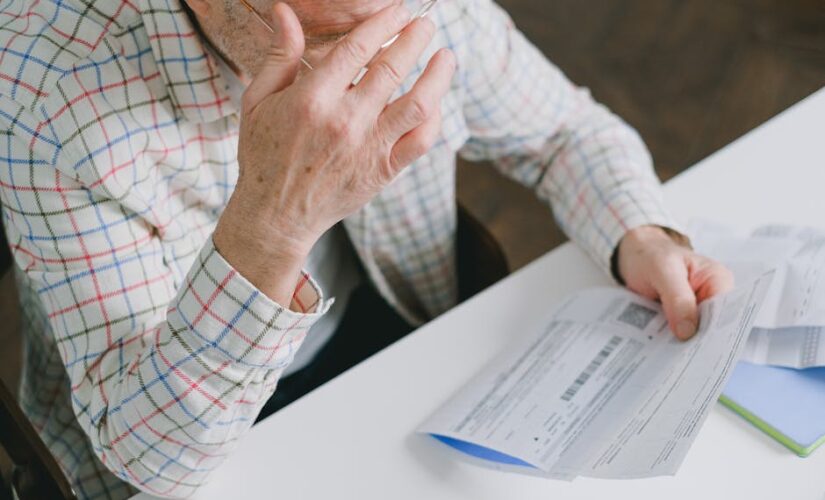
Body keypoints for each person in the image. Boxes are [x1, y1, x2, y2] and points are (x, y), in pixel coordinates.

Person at [0, 0, 732, 497]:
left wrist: (638, 234)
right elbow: (149, 455)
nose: (378, 62)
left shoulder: (409, 13)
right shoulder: (47, 90)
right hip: (173, 439)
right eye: (337, 41)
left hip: (390, 335)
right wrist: (273, 219)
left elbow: (565, 132)